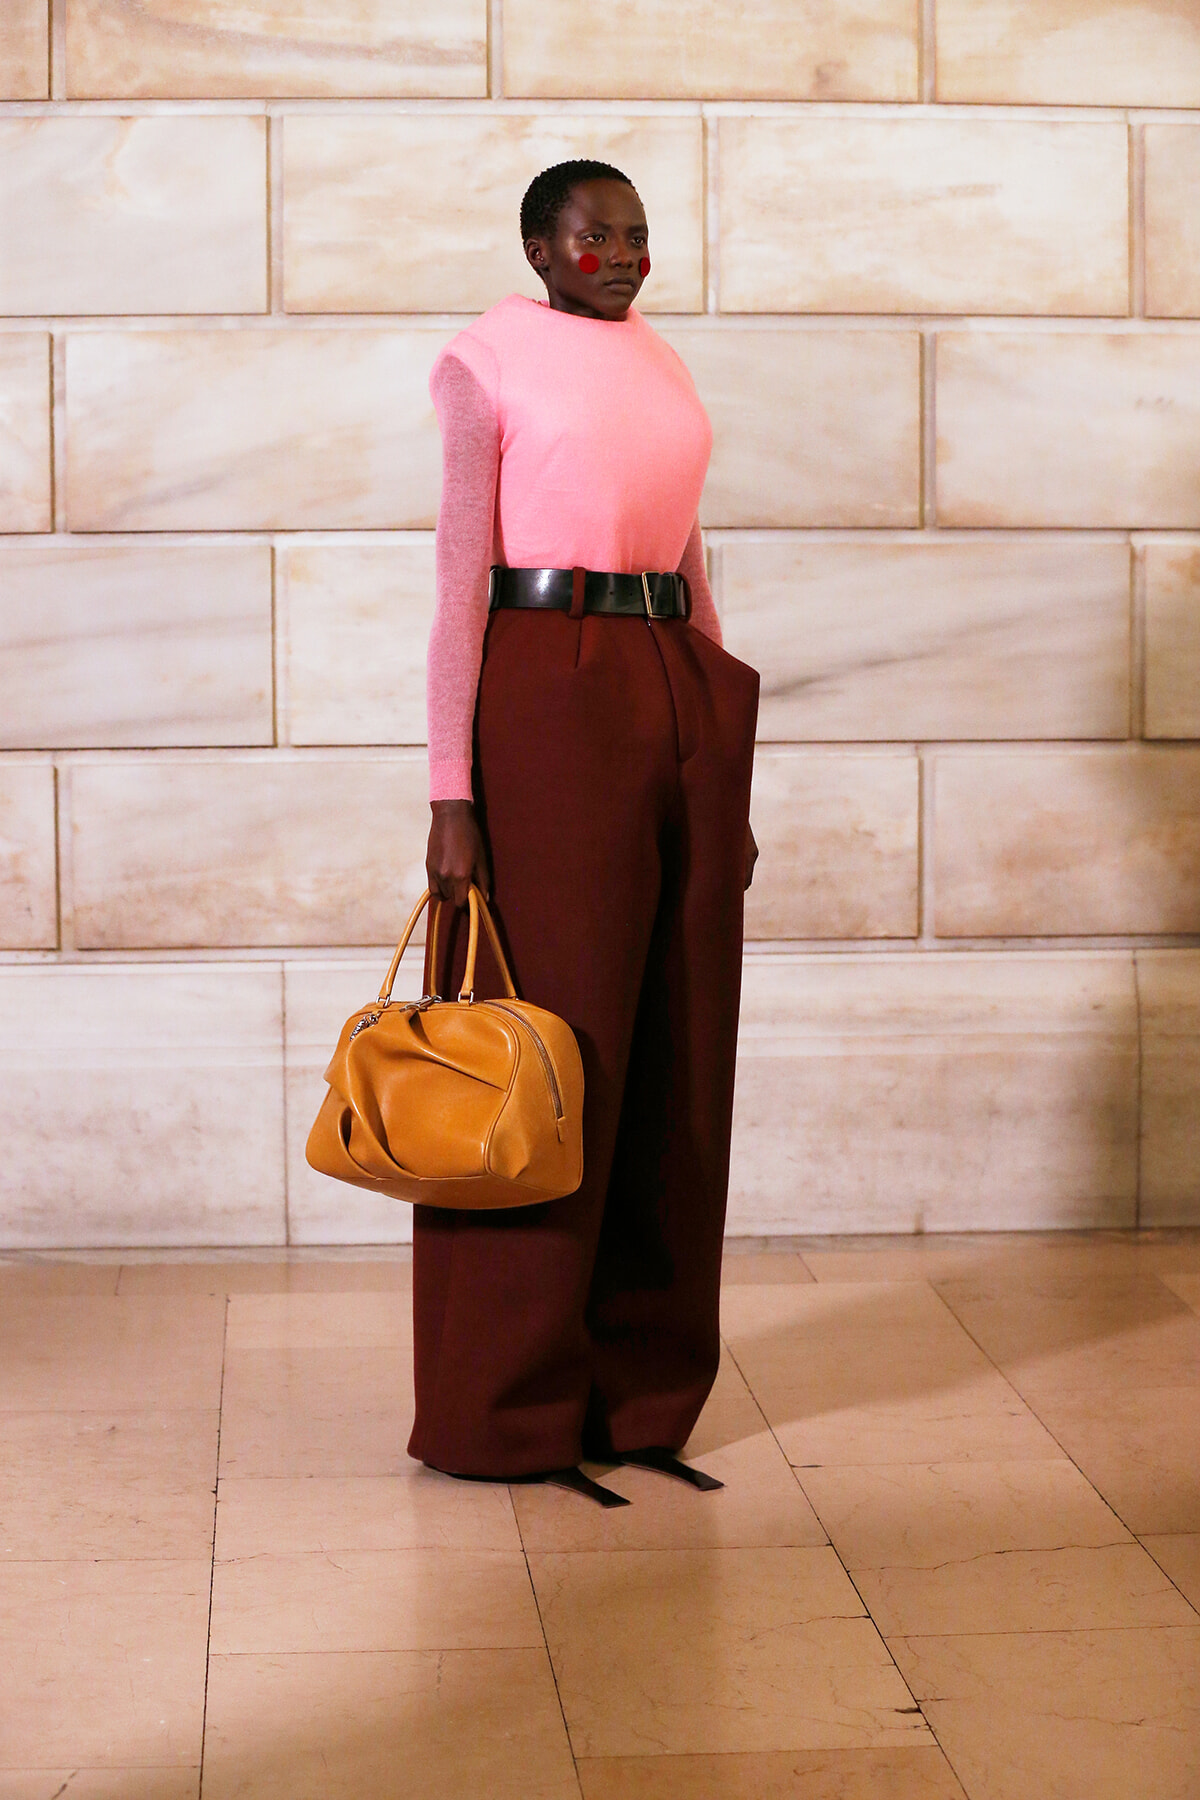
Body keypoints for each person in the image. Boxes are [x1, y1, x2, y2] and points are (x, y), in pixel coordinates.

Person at [410, 159, 760, 1505]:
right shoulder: (482, 362)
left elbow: (686, 554)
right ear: (538, 246)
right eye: (592, 234)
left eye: (636, 235)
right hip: (543, 687)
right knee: (550, 1052)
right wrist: (453, 793)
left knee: (679, 1037)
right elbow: (456, 585)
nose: (620, 254)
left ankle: (641, 1393)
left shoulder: (661, 360)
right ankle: (504, 1408)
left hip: (673, 685)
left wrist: (718, 742)